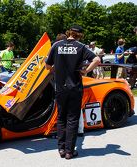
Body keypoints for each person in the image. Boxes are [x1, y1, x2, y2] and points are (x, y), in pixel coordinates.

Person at [45, 25, 100, 159]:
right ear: (79, 35)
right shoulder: (81, 46)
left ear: (68, 32)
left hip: (60, 88)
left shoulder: (56, 45)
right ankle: (69, 151)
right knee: (73, 119)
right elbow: (97, 59)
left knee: (61, 118)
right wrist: (86, 71)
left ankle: (62, 149)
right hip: (75, 87)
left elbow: (47, 66)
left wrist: (56, 70)